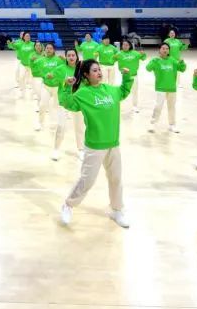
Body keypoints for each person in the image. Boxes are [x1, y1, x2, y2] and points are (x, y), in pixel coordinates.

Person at [57, 60, 135, 228]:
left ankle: (117, 210)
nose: (99, 72)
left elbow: (123, 91)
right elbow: (67, 103)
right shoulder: (83, 93)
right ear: (86, 75)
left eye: (99, 69)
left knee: (116, 179)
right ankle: (68, 205)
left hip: (113, 144)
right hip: (94, 146)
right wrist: (66, 86)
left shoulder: (110, 90)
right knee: (87, 180)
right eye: (94, 70)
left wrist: (127, 77)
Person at [42, 48, 78, 160]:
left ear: (76, 56)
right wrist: (64, 81)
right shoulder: (60, 69)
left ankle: (81, 150)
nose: (71, 57)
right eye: (69, 55)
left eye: (73, 55)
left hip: (78, 102)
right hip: (64, 102)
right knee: (61, 126)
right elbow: (50, 76)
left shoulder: (81, 69)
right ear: (65, 57)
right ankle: (56, 150)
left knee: (80, 128)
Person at [146, 43, 186, 133]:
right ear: (159, 50)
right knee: (158, 106)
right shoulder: (156, 60)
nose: (165, 50)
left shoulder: (172, 60)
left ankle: (172, 125)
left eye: (167, 49)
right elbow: (148, 68)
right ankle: (152, 124)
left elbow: (182, 69)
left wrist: (182, 62)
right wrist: (153, 61)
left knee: (172, 107)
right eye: (163, 48)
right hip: (161, 88)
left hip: (172, 88)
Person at [31, 43, 65, 135]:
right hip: (46, 86)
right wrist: (31, 61)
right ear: (44, 49)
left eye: (50, 48)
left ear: (54, 50)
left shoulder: (59, 60)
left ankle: (56, 124)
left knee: (56, 106)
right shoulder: (41, 60)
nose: (48, 50)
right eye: (47, 48)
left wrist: (65, 60)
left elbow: (68, 67)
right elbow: (34, 67)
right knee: (42, 105)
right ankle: (40, 123)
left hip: (57, 87)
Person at [116, 40, 145, 112]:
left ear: (130, 46)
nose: (125, 46)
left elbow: (143, 58)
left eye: (127, 45)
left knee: (135, 91)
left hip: (134, 76)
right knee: (124, 91)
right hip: (125, 77)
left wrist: (143, 54)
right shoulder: (119, 54)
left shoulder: (135, 53)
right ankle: (119, 106)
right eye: (123, 45)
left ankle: (135, 106)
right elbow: (111, 60)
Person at [7, 32, 35, 96]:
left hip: (31, 64)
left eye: (29, 36)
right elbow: (11, 46)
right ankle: (22, 88)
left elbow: (39, 50)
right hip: (22, 63)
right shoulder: (20, 44)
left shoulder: (33, 44)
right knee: (21, 75)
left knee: (32, 77)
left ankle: (32, 88)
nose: (28, 37)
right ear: (23, 37)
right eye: (26, 36)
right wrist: (10, 43)